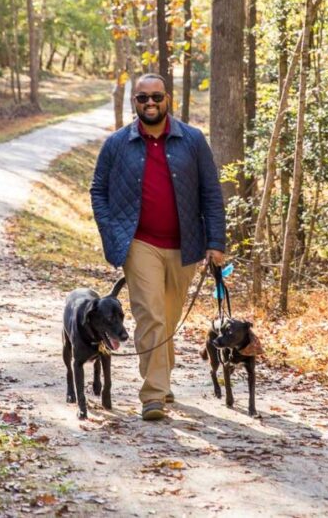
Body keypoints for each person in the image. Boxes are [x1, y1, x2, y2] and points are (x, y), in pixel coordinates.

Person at [90, 73, 226, 421]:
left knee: (167, 319)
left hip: (185, 245)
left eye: (156, 97)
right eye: (142, 98)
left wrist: (215, 242)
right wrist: (111, 231)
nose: (150, 103)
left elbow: (211, 193)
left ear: (168, 99)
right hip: (138, 243)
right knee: (150, 314)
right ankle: (153, 396)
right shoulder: (117, 143)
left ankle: (161, 379)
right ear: (133, 102)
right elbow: (98, 190)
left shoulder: (192, 140)